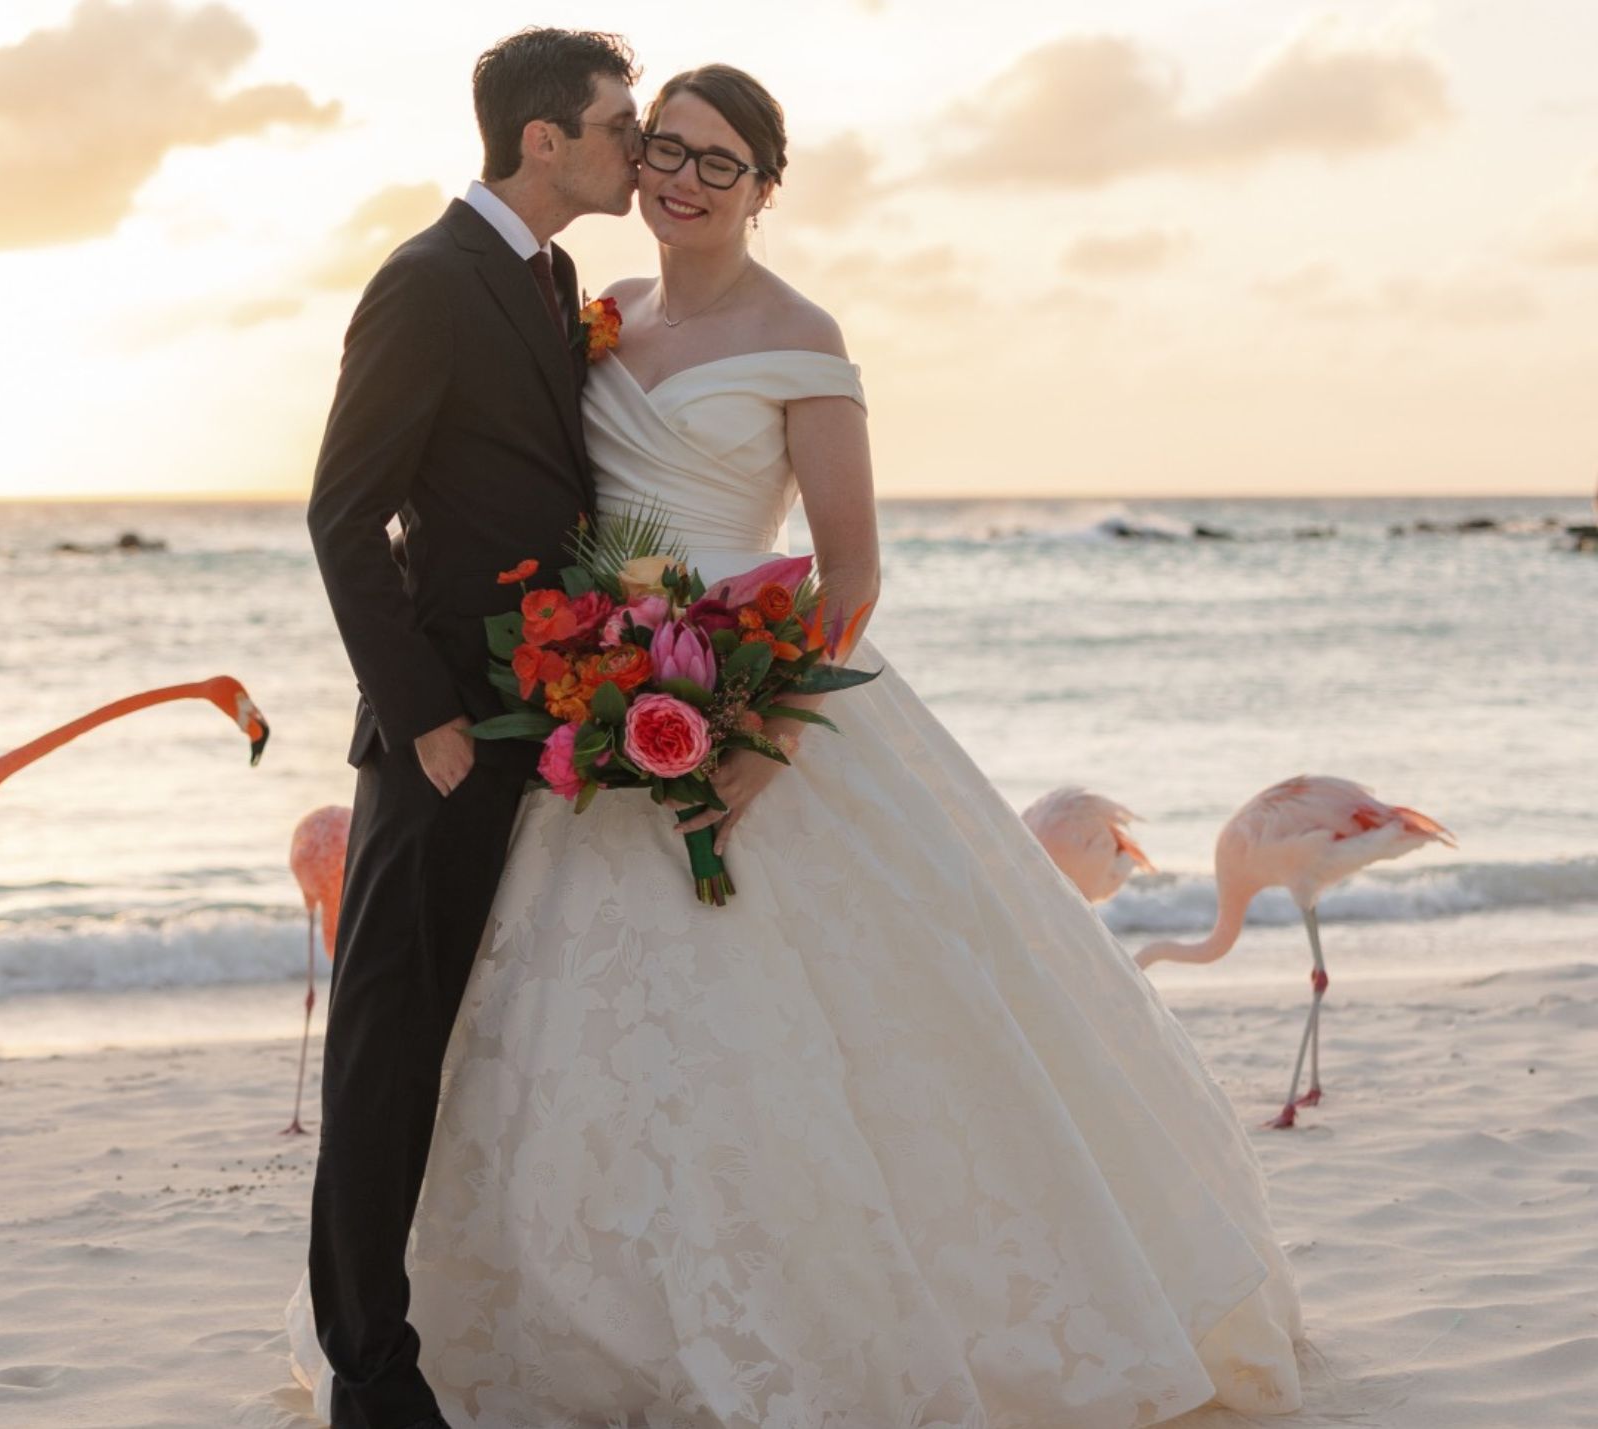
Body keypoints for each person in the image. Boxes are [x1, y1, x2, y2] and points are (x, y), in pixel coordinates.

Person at [295, 61, 1305, 1429]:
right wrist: (462, 709)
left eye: (719, 160)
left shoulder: (787, 333)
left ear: (767, 187)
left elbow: (846, 573)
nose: (676, 175)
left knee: (817, 1047)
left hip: (757, 712)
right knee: (507, 1042)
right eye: (657, 145)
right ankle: (410, 1354)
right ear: (585, 150)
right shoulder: (581, 309)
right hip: (568, 723)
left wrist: (755, 742)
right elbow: (406, 509)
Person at [301, 27, 642, 1429]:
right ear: (543, 140)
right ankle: (369, 1374)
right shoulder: (427, 281)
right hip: (443, 738)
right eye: (621, 124)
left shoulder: (556, 278)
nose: (641, 147)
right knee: (389, 1045)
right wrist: (427, 716)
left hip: (550, 728)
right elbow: (342, 512)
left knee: (496, 1039)